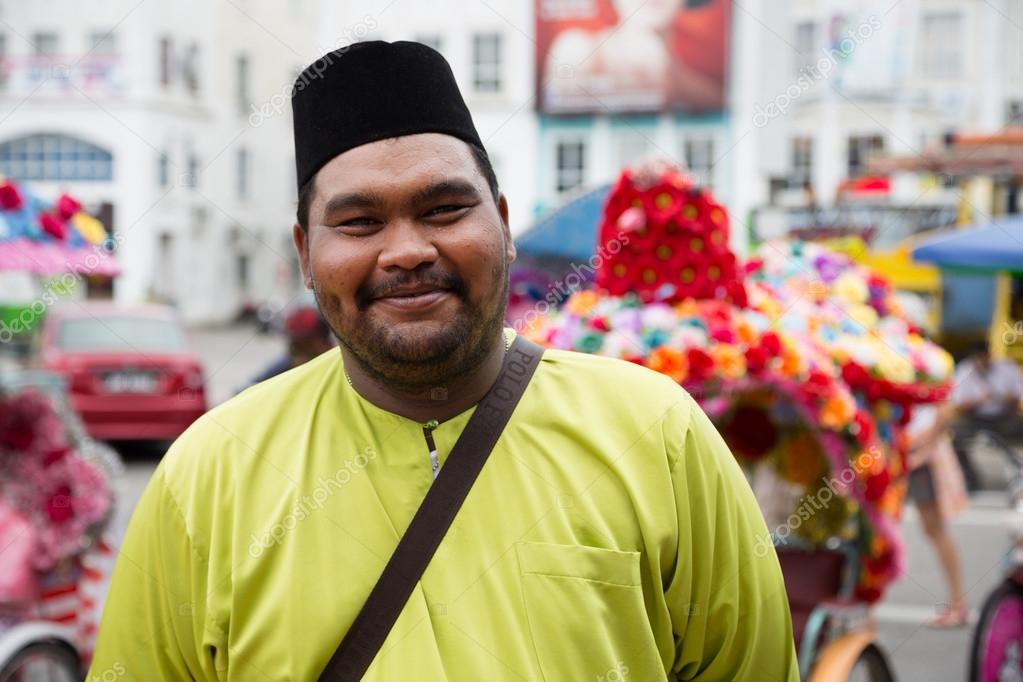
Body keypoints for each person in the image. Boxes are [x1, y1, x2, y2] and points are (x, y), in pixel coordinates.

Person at [88, 42, 797, 680]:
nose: (406, 251)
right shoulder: (211, 474)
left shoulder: (656, 435)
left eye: (444, 209)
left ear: (505, 225)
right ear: (305, 255)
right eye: (360, 222)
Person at [905, 401, 969, 627]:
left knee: (936, 529)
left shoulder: (925, 370)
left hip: (922, 457)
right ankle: (957, 604)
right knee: (933, 530)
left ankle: (958, 604)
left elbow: (944, 409)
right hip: (913, 451)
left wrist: (925, 448)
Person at [950, 342, 1023, 491]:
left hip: (1003, 416)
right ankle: (970, 478)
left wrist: (1007, 399)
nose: (980, 362)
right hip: (974, 417)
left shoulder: (1006, 368)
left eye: (983, 357)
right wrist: (977, 401)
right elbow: (956, 404)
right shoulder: (965, 370)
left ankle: (1018, 473)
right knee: (955, 435)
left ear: (989, 356)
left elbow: (1018, 396)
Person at [248, 306, 335, 386]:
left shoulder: (341, 369)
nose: (301, 359)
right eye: (295, 349)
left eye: (307, 348)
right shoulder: (281, 370)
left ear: (327, 343)